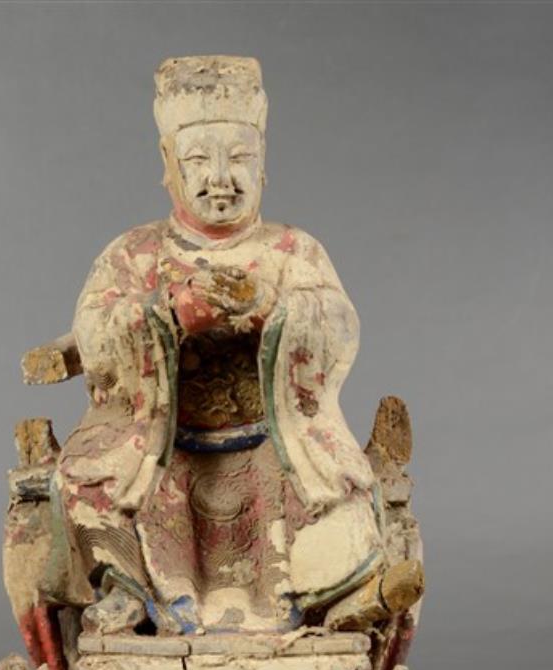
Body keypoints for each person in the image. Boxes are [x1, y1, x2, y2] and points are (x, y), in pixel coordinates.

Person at [51, 55, 391, 636]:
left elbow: (337, 325)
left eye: (239, 159)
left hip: (275, 441)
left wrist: (274, 310)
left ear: (264, 165)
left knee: (340, 491)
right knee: (90, 483)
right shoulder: (135, 253)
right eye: (198, 160)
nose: (221, 178)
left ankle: (336, 600)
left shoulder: (291, 250)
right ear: (168, 165)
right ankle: (129, 590)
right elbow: (96, 328)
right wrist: (169, 313)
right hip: (160, 444)